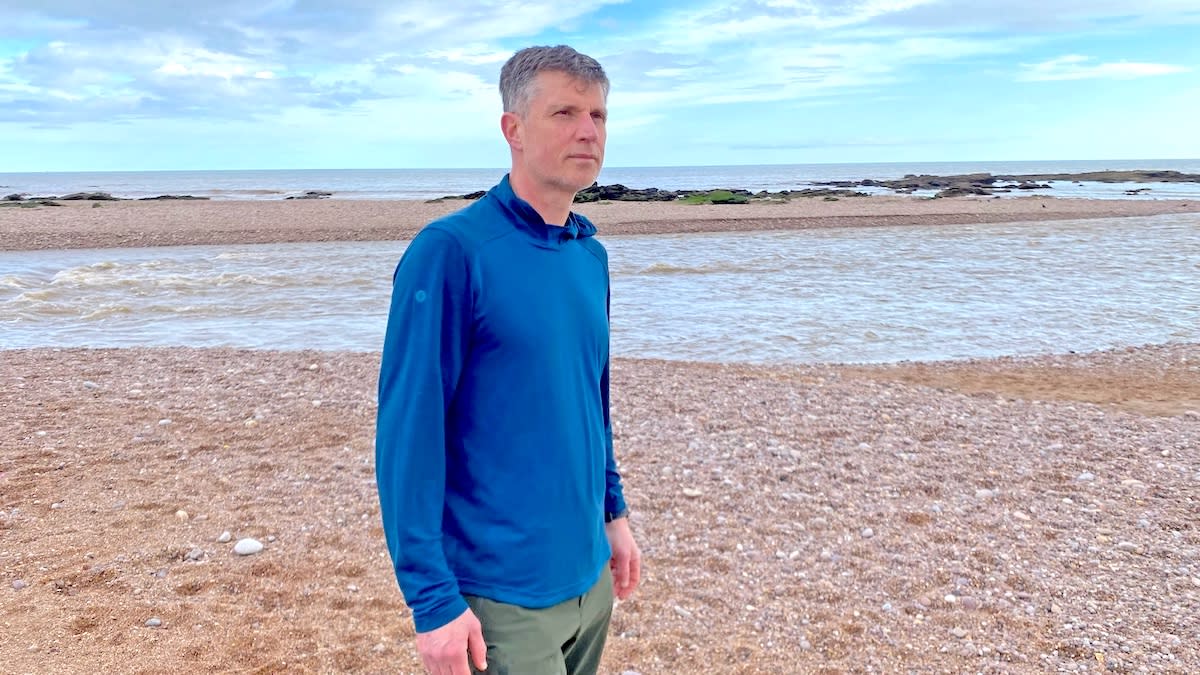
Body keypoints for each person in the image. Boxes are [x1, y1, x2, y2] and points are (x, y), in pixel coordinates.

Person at [376, 45, 641, 675]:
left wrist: (615, 512)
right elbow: (406, 436)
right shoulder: (451, 252)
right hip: (500, 597)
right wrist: (432, 601)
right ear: (512, 129)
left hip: (587, 578)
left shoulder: (589, 256)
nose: (587, 131)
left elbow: (590, 401)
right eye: (565, 113)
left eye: (599, 116)